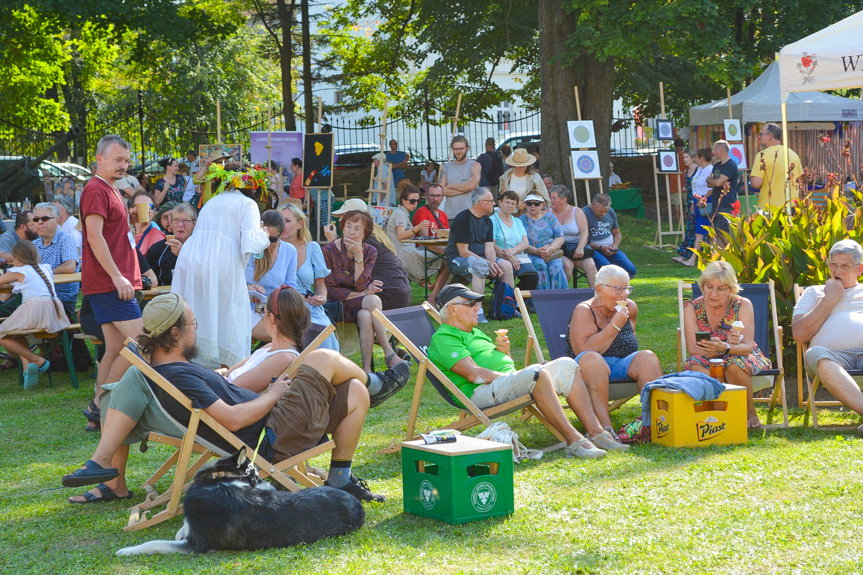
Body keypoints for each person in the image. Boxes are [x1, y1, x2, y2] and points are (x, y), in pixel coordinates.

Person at [62, 292, 410, 504]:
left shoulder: (168, 371)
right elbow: (233, 420)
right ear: (174, 333)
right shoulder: (178, 375)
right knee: (319, 358)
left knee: (354, 392)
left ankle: (341, 479)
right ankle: (382, 380)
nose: (196, 331)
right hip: (268, 435)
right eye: (193, 325)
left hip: (274, 425)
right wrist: (273, 393)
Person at [428, 284, 622, 458]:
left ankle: (596, 432)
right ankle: (575, 441)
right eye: (470, 303)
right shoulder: (444, 337)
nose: (477, 308)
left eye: (476, 303)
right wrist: (512, 377)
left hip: (500, 385)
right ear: (452, 308)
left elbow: (501, 366)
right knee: (537, 374)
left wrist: (503, 353)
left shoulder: (474, 332)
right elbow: (473, 374)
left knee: (567, 364)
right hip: (479, 393)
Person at [172, 161, 270, 369]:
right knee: (230, 316)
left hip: (194, 261)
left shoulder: (211, 202)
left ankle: (201, 368)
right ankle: (228, 372)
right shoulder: (247, 204)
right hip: (223, 263)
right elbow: (252, 243)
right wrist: (265, 235)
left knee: (202, 312)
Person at [81, 134, 144, 429]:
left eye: (127, 160)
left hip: (113, 281)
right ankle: (100, 405)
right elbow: (93, 236)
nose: (124, 165)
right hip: (111, 283)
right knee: (142, 343)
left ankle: (97, 412)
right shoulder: (96, 189)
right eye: (118, 160)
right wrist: (118, 276)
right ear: (99, 159)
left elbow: (111, 234)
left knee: (116, 348)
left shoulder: (112, 189)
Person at [566, 265, 664, 435]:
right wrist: (615, 326)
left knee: (647, 357)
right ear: (599, 289)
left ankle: (656, 423)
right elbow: (583, 350)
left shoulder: (630, 307)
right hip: (585, 371)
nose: (624, 294)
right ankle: (605, 429)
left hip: (619, 366)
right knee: (592, 359)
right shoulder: (584, 310)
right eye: (618, 289)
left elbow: (630, 342)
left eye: (627, 288)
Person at [682, 261, 771, 429]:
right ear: (702, 286)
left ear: (730, 289)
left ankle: (748, 411)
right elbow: (694, 350)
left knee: (733, 365)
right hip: (707, 357)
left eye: (721, 289)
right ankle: (718, 412)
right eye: (709, 287)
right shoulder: (693, 307)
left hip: (740, 355)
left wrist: (726, 347)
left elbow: (747, 348)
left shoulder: (742, 305)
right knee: (695, 364)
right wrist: (720, 349)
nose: (713, 294)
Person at [322, 210, 408, 373]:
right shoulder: (328, 250)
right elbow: (331, 290)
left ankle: (367, 371)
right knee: (373, 300)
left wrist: (358, 256)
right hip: (334, 306)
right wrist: (362, 294)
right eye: (348, 226)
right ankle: (389, 353)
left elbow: (360, 285)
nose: (351, 232)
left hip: (357, 305)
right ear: (342, 227)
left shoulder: (369, 251)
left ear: (365, 233)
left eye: (357, 229)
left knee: (365, 315)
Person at [793, 239, 863, 434]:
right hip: (832, 358)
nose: (837, 271)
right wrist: (829, 300)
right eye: (833, 265)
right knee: (816, 353)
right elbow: (799, 334)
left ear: (860, 269)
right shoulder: (814, 292)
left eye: (845, 266)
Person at [0, 241, 71, 388]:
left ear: (16, 259)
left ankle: (37, 359)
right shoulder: (45, 268)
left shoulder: (19, 271)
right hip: (53, 311)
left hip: (35, 311)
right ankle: (27, 367)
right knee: (16, 334)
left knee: (2, 334)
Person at [327, 199, 413, 311]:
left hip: (387, 295)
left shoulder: (361, 239)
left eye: (343, 215)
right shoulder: (374, 234)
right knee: (362, 314)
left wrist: (331, 240)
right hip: (399, 293)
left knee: (332, 304)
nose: (340, 219)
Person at [444, 188, 515, 322]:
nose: (494, 204)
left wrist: (493, 263)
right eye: (491, 201)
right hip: (458, 259)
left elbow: (489, 247)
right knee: (480, 265)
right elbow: (463, 251)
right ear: (482, 203)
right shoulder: (463, 219)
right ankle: (479, 310)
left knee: (506, 265)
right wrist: (487, 263)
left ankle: (507, 306)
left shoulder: (487, 221)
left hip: (481, 258)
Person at [280, 203, 339, 351]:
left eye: (287, 220)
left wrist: (322, 298)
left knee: (325, 331)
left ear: (300, 224)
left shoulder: (312, 248)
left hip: (310, 307)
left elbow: (320, 284)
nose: (283, 225)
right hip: (283, 306)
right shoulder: (273, 249)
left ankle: (327, 370)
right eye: (280, 220)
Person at [246, 210, 299, 342]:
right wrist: (247, 287)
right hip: (248, 308)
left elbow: (291, 286)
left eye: (272, 239)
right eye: (264, 237)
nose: (267, 243)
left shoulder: (289, 251)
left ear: (282, 234)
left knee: (297, 334)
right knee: (282, 338)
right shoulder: (250, 249)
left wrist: (273, 300)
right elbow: (234, 279)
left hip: (275, 309)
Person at [387, 185, 446, 290]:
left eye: (418, 201)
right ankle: (436, 288)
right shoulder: (400, 214)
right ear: (403, 201)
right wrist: (418, 227)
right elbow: (400, 236)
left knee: (440, 257)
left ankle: (434, 288)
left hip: (406, 250)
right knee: (442, 259)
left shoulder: (403, 213)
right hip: (403, 253)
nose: (415, 204)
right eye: (412, 201)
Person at [31, 203, 79, 319]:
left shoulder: (66, 239)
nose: (40, 222)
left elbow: (70, 267)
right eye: (36, 219)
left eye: (45, 218)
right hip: (37, 297)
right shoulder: (34, 245)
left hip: (60, 298)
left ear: (57, 220)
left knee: (12, 313)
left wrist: (44, 272)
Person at [490, 190, 538, 290]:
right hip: (500, 255)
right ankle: (507, 300)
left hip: (517, 254)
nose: (510, 206)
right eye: (507, 202)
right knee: (508, 268)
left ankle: (517, 301)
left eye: (513, 203)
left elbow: (525, 243)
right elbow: (491, 244)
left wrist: (513, 251)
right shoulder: (492, 220)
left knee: (532, 277)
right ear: (500, 203)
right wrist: (509, 257)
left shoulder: (517, 221)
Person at [550, 185, 596, 288]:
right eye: (550, 197)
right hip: (557, 249)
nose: (551, 200)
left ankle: (597, 297)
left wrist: (580, 248)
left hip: (575, 248)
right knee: (567, 265)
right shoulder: (547, 213)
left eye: (554, 198)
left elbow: (585, 232)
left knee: (591, 266)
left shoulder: (577, 211)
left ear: (564, 199)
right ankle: (562, 295)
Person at [520, 193, 568, 291]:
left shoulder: (550, 218)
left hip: (551, 252)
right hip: (531, 252)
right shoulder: (520, 220)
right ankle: (540, 302)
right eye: (529, 203)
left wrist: (551, 248)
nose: (533, 206)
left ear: (542, 205)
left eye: (536, 203)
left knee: (556, 267)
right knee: (540, 267)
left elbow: (560, 237)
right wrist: (536, 251)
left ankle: (558, 299)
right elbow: (520, 242)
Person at [750, 123, 803, 210]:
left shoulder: (762, 155)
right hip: (792, 207)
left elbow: (756, 183)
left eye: (761, 134)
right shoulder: (793, 154)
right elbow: (801, 184)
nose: (759, 137)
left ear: (770, 136)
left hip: (770, 208)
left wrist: (751, 178)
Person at [583, 194, 637, 278]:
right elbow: (583, 240)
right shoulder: (583, 213)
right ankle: (613, 286)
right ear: (593, 205)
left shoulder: (611, 211)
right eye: (600, 211)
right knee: (608, 269)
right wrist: (601, 248)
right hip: (592, 249)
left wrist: (615, 245)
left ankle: (618, 285)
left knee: (631, 270)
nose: (603, 214)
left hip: (610, 248)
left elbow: (617, 233)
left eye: (606, 211)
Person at [677, 148, 714, 268]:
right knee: (706, 233)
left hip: (705, 203)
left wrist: (703, 198)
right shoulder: (700, 170)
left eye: (697, 157)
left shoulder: (710, 169)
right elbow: (695, 186)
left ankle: (692, 259)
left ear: (701, 158)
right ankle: (714, 257)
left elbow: (712, 188)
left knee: (700, 232)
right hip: (697, 202)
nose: (695, 159)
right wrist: (694, 201)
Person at [145, 203, 196, 286]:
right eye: (176, 220)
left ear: (194, 224)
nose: (180, 225)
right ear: (171, 223)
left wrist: (183, 254)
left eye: (185, 221)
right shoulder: (157, 249)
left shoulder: (201, 248)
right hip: (164, 297)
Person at [705, 140, 739, 241]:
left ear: (721, 150)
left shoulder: (731, 165)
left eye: (714, 149)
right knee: (716, 233)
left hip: (727, 205)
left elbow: (718, 183)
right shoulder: (716, 165)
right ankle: (720, 255)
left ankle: (728, 253)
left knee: (723, 234)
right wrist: (710, 180)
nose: (713, 152)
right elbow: (709, 184)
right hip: (716, 204)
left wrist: (712, 180)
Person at [440, 136, 481, 218]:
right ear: (452, 149)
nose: (458, 152)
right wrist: (465, 188)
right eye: (455, 149)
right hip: (450, 214)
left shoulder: (475, 165)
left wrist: (450, 186)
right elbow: (441, 191)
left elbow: (471, 186)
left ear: (467, 148)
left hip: (470, 214)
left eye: (461, 148)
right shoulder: (445, 167)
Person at [672, 149, 699, 266]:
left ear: (693, 158)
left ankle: (687, 253)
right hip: (689, 200)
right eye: (684, 157)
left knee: (694, 227)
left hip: (697, 200)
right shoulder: (686, 171)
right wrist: (685, 188)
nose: (685, 160)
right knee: (690, 225)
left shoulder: (699, 169)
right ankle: (685, 253)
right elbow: (688, 185)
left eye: (687, 157)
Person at [129, 191, 166, 257]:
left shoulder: (157, 237)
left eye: (150, 206)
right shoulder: (128, 234)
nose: (147, 210)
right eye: (140, 206)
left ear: (153, 211)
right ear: (131, 210)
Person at [668, 138, 686, 226]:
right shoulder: (685, 155)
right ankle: (688, 219)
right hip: (684, 182)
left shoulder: (671, 156)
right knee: (687, 203)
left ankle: (678, 221)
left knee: (676, 203)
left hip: (674, 183)